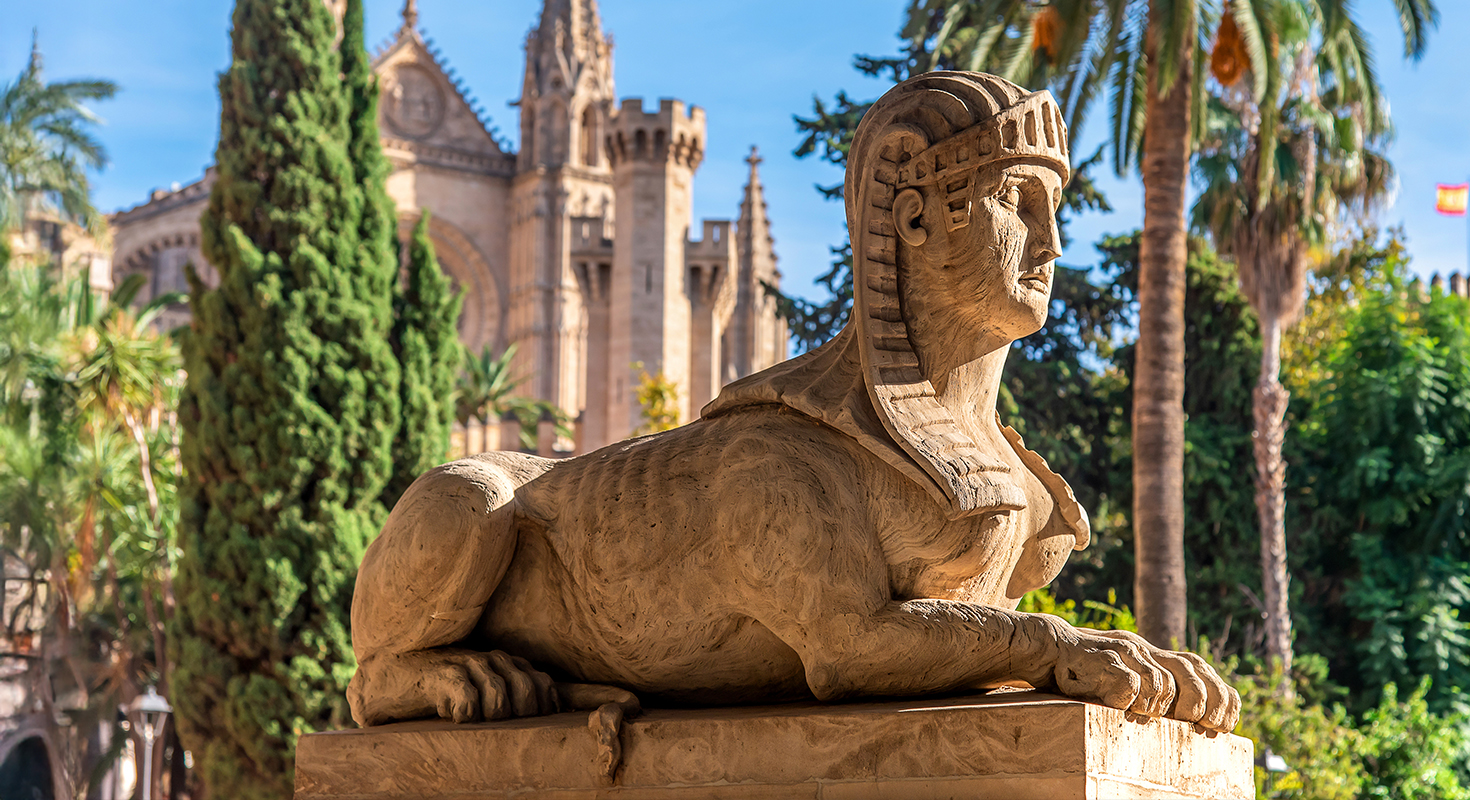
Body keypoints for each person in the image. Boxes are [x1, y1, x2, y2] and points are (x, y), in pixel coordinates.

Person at [346, 71, 1239, 734]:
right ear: (913, 219)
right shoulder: (783, 458)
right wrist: (1052, 649)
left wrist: (1076, 655)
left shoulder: (987, 482)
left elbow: (955, 642)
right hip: (523, 520)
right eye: (1015, 201)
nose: (1051, 242)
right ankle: (395, 672)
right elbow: (847, 649)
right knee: (470, 495)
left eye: (1056, 207)